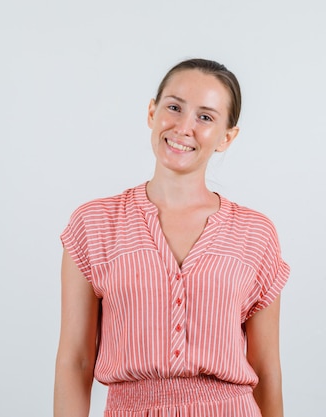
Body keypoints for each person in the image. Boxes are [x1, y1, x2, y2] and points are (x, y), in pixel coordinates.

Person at [54, 58, 290, 417]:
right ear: (152, 112)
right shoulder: (95, 224)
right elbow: (76, 359)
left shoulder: (255, 234)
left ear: (227, 136)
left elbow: (268, 370)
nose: (183, 127)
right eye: (175, 107)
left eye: (205, 117)